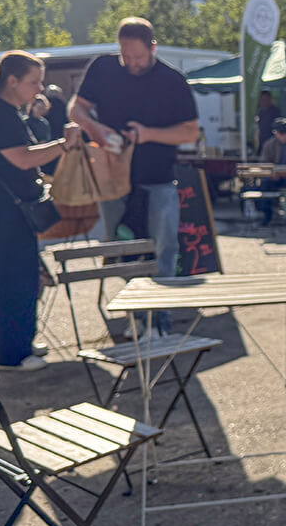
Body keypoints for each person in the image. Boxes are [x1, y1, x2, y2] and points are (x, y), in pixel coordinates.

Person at [70, 17, 200, 336]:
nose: (132, 64)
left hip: (158, 178)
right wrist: (95, 128)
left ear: (153, 47)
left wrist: (147, 134)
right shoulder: (102, 68)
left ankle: (158, 322)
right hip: (113, 179)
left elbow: (191, 132)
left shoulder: (172, 80)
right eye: (126, 57)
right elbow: (76, 109)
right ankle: (137, 314)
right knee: (122, 249)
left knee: (162, 250)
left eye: (139, 57)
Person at [0, 52, 81, 370]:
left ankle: (9, 345)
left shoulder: (3, 110)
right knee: (12, 276)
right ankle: (11, 355)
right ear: (11, 81)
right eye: (34, 82)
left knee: (9, 275)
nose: (39, 89)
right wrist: (63, 144)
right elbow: (23, 158)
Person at [24, 94, 59, 175]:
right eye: (39, 108)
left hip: (43, 152)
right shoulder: (26, 122)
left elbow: (47, 139)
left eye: (43, 108)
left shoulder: (44, 123)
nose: (41, 111)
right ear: (32, 107)